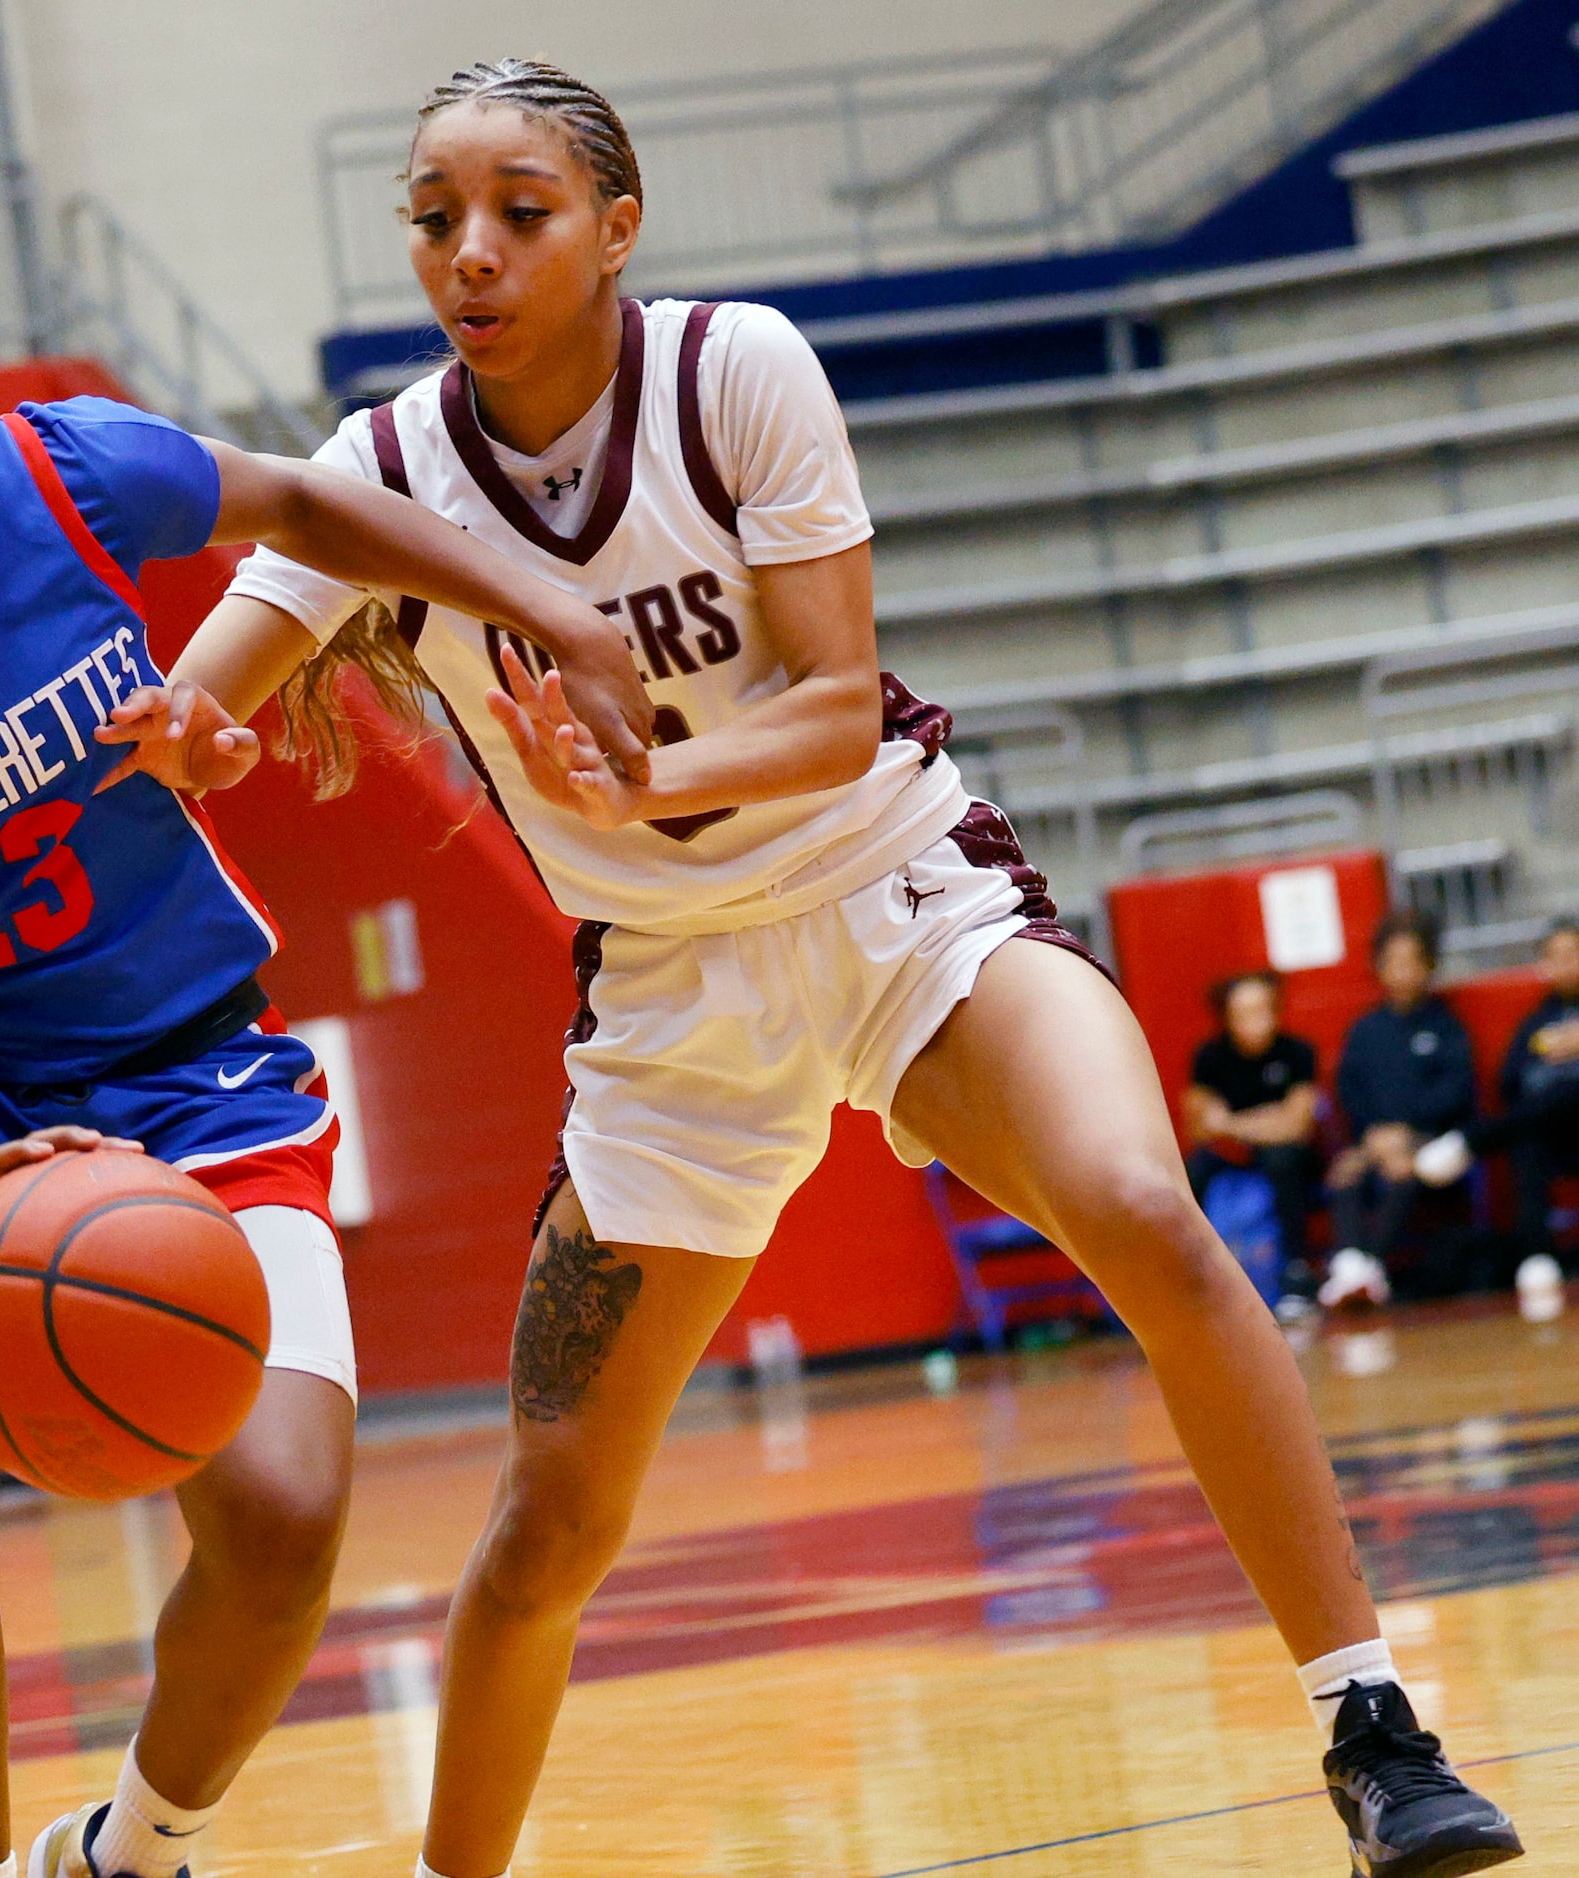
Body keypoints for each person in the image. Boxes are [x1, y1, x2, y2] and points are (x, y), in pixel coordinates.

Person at [171, 59, 1523, 1878]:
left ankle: (1374, 1729)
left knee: (1139, 1200)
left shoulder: (735, 371)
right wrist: (179, 727)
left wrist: (653, 768)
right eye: (433, 220)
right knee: (550, 1523)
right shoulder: (383, 471)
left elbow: (825, 705)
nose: (468, 253)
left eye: (520, 211)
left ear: (615, 227)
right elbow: (214, 686)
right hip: (665, 995)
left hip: (897, 890)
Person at [0, 208, 655, 1878]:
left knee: (282, 1516)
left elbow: (316, 507)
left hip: (192, 1070)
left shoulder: (65, 478)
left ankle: (130, 1849)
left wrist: (569, 614)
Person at [1416, 918, 1579, 1317]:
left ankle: (1471, 1141)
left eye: (1573, 953)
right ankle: (1538, 1258)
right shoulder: (1536, 1022)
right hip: (1553, 1133)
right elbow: (1509, 1082)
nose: (1566, 963)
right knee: (1528, 1136)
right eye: (1555, 956)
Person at [1323, 913, 1477, 1309]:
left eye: (1412, 961)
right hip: (1375, 1141)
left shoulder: (1446, 1027)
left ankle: (1369, 1269)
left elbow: (1456, 1093)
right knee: (1346, 1172)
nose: (1402, 971)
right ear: (1379, 966)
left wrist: (1406, 1135)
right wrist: (1374, 1138)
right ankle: (1349, 1265)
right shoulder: (1364, 1031)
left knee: (1404, 1171)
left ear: (1428, 966)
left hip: (1433, 1142)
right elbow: (1350, 1090)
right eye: (1393, 961)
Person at [1183, 971, 1321, 1299]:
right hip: (1230, 1154)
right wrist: (1267, 1119)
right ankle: (1192, 1274)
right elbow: (1199, 1127)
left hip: (1283, 1154)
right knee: (1190, 1173)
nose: (1255, 1020)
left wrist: (1230, 1123)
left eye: (1262, 1009)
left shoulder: (1297, 1052)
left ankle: (1295, 1270)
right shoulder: (1209, 1057)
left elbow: (1296, 1125)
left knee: (1285, 1161)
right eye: (1244, 1012)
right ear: (1228, 1017)